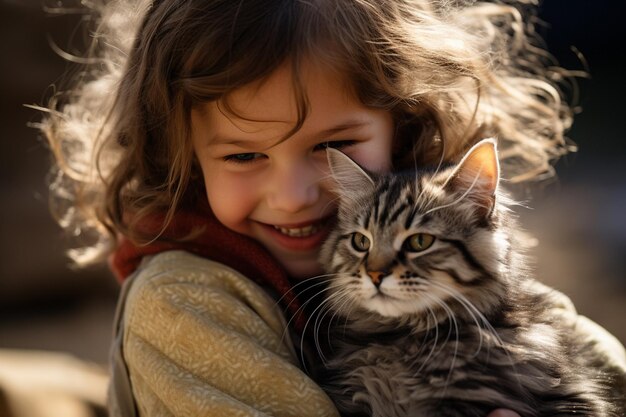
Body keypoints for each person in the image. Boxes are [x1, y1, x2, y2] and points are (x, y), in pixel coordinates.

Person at [39, 0, 626, 416]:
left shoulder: (428, 236)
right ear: (185, 160)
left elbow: (583, 352)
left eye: (330, 147)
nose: (295, 195)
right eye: (244, 156)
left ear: (403, 118)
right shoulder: (181, 302)